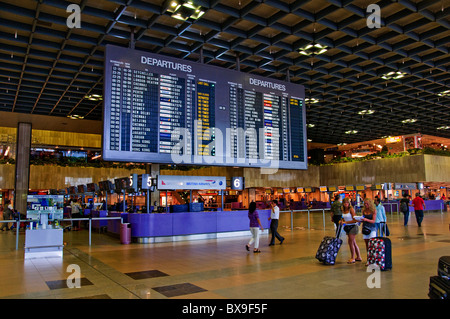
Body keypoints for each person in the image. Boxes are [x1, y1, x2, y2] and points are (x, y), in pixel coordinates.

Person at [339, 197, 362, 264]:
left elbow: (354, 220)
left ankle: (352, 257)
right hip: (347, 227)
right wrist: (342, 221)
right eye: (344, 203)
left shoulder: (351, 209)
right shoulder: (343, 210)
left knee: (350, 242)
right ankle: (358, 256)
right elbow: (344, 218)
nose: (346, 204)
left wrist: (345, 223)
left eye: (347, 202)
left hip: (353, 226)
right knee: (353, 242)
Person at [361, 198, 377, 265]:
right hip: (365, 228)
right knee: (367, 245)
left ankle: (373, 259)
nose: (366, 205)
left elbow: (373, 221)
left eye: (367, 204)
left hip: (372, 228)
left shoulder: (373, 210)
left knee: (372, 244)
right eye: (365, 204)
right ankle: (368, 259)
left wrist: (366, 219)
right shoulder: (364, 210)